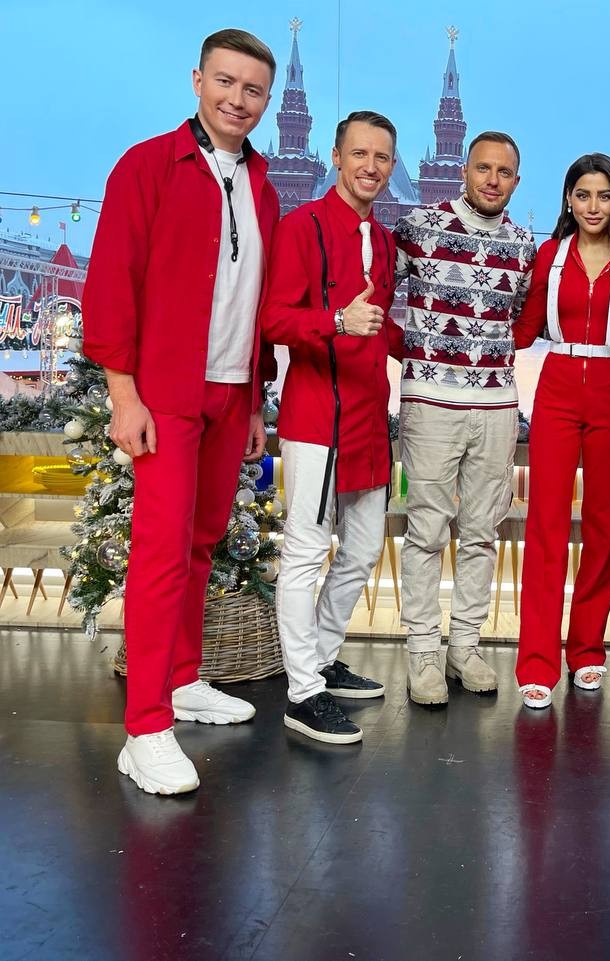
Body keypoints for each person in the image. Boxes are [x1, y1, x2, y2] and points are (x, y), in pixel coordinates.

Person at [82, 29, 280, 794]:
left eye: (252, 89)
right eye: (225, 82)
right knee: (162, 552)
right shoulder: (146, 165)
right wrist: (123, 394)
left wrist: (254, 396)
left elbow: (252, 300)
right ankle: (144, 729)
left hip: (231, 393)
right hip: (165, 392)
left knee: (202, 542)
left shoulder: (262, 184)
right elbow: (112, 280)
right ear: (197, 80)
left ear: (267, 100)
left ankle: (184, 677)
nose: (237, 99)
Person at [261, 111, 405, 744]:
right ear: (336, 157)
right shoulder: (301, 227)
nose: (371, 167)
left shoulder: (385, 241)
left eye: (382, 157)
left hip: (370, 417)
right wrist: (336, 322)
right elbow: (273, 319)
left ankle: (319, 658)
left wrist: (434, 347)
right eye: (360, 154)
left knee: (364, 550)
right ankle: (302, 692)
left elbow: (381, 326)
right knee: (304, 555)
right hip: (317, 419)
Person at [393, 132, 537, 706]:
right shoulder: (419, 227)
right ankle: (423, 651)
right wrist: (413, 354)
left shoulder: (522, 245)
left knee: (482, 533)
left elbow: (516, 320)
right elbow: (375, 296)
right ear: (464, 171)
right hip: (430, 406)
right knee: (426, 530)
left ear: (516, 181)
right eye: (483, 168)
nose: (492, 180)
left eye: (504, 172)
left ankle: (465, 646)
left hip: (497, 407)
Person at [510, 154, 610, 709]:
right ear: (568, 200)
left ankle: (588, 649)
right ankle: (537, 661)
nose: (593, 206)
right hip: (557, 385)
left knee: (601, 525)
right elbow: (524, 329)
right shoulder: (550, 254)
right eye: (582, 195)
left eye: (604, 196)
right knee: (545, 525)